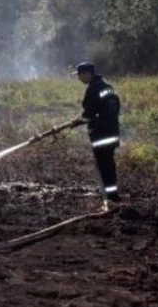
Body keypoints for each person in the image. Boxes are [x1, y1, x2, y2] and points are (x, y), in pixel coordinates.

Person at [69, 62, 121, 209]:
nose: (79, 78)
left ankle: (109, 198)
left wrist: (76, 122)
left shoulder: (93, 89)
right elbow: (113, 109)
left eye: (79, 75)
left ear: (87, 74)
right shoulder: (108, 87)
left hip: (100, 134)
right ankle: (113, 194)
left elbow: (89, 115)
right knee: (109, 164)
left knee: (103, 166)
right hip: (112, 132)